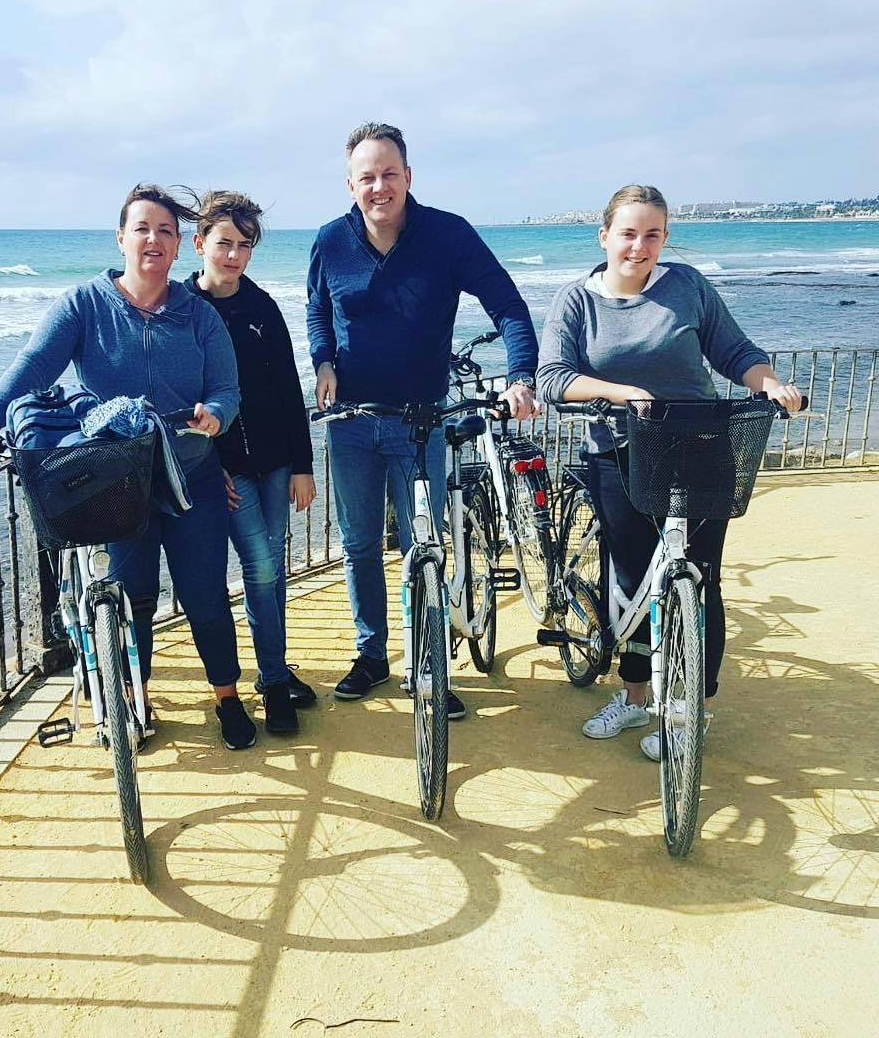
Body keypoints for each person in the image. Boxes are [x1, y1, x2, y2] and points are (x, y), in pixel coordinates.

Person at [0, 183, 259, 751]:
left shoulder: (200, 316)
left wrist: (214, 416)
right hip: (117, 479)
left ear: (178, 246)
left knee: (205, 595)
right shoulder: (84, 304)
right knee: (133, 595)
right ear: (121, 238)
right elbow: (35, 364)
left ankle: (227, 697)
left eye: (165, 231)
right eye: (142, 228)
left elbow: (227, 390)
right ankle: (131, 698)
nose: (153, 240)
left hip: (191, 476)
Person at [536, 184, 803, 760]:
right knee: (629, 580)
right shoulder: (575, 301)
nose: (639, 246)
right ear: (604, 236)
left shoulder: (687, 287)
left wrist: (771, 383)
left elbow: (734, 352)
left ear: (665, 239)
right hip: (617, 452)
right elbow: (554, 378)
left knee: (699, 577)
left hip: (699, 445)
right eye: (628, 233)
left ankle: (695, 708)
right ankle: (634, 697)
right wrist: (621, 393)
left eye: (652, 234)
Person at [307, 121, 539, 718]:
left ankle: (427, 659)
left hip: (423, 419)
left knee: (423, 546)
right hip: (353, 420)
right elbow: (317, 311)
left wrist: (520, 378)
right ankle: (372, 655)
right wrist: (323, 360)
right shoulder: (331, 242)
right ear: (350, 184)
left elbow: (508, 305)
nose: (379, 186)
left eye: (389, 174)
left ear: (408, 177)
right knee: (359, 544)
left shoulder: (448, 235)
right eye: (367, 177)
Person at [185, 190, 317, 736]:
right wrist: (206, 463)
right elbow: (181, 393)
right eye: (224, 244)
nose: (234, 255)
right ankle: (270, 676)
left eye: (244, 246)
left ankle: (273, 673)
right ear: (200, 244)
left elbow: (289, 387)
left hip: (276, 460)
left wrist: (304, 463)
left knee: (272, 573)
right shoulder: (183, 310)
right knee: (261, 566)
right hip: (225, 465)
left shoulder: (261, 305)